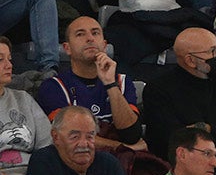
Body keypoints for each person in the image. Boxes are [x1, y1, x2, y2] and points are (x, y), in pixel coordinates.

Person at [141, 28, 216, 169]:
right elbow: (177, 143)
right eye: (212, 51)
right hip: (181, 173)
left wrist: (208, 128)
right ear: (190, 60)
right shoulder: (159, 90)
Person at [37, 16, 142, 150]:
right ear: (67, 48)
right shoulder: (53, 86)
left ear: (104, 45)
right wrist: (123, 147)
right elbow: (70, 138)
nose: (90, 38)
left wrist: (110, 84)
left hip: (121, 163)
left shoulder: (122, 82)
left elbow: (131, 135)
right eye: (80, 34)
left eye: (95, 33)